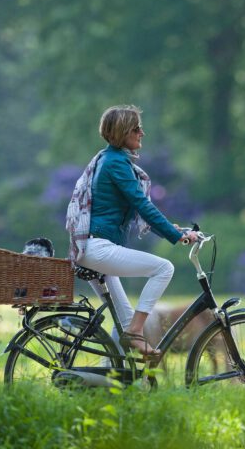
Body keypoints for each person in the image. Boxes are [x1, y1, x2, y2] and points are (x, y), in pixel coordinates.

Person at [66, 105, 198, 356]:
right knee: (163, 268)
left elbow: (141, 211)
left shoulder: (108, 159)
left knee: (123, 318)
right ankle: (135, 332)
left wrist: (172, 228)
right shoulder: (116, 163)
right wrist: (177, 236)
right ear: (122, 131)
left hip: (94, 249)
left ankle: (110, 378)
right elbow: (143, 205)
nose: (142, 133)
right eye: (136, 128)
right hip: (98, 249)